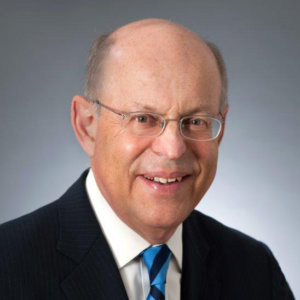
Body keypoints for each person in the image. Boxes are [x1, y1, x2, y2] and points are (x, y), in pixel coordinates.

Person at [0, 18, 294, 300]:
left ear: (220, 130)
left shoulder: (255, 271)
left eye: (195, 121)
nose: (173, 149)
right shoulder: (8, 267)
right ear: (87, 126)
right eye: (144, 118)